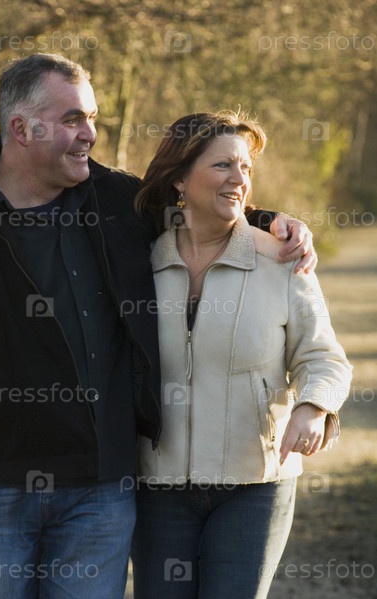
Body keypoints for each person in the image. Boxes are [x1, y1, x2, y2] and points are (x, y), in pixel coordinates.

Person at [0, 53, 315, 599]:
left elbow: (202, 210)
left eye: (92, 117)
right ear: (21, 128)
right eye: (72, 120)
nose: (90, 134)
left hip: (101, 487)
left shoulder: (117, 200)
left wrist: (271, 221)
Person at [131, 111, 352, 599]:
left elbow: (324, 357)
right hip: (157, 487)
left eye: (246, 167)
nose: (240, 178)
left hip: (255, 485)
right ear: (180, 178)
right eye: (223, 165)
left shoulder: (282, 259)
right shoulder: (138, 262)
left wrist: (314, 407)